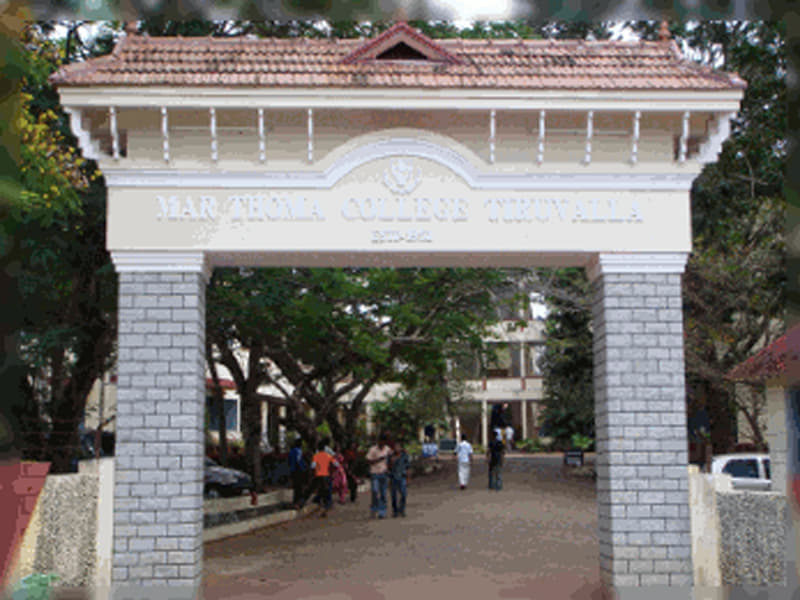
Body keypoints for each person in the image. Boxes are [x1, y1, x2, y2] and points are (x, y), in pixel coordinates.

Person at [366, 433, 392, 518]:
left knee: (383, 493)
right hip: (375, 473)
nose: (382, 443)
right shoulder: (373, 449)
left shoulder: (387, 449)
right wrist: (378, 460)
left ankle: (382, 511)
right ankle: (374, 508)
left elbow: (391, 459)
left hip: (384, 473)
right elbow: (369, 461)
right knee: (375, 491)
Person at [310, 439, 337, 517]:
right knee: (327, 491)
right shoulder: (328, 456)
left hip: (319, 476)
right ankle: (326, 507)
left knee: (321, 491)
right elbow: (336, 464)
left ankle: (322, 506)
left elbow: (313, 466)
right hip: (326, 475)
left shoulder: (316, 456)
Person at [389, 441, 411, 517]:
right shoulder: (391, 456)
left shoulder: (404, 456)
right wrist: (392, 461)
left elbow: (408, 467)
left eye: (398, 447)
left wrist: (408, 478)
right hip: (393, 477)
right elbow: (388, 467)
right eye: (395, 447)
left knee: (403, 494)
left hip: (402, 477)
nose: (397, 448)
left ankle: (402, 509)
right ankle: (395, 510)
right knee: (394, 495)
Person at [288, 438, 308, 509]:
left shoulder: (291, 451)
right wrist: (303, 468)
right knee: (299, 487)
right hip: (298, 471)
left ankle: (295, 502)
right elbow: (298, 461)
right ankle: (298, 502)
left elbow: (289, 461)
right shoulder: (298, 451)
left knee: (296, 487)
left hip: (293, 470)